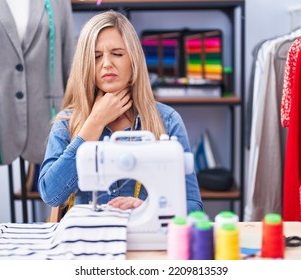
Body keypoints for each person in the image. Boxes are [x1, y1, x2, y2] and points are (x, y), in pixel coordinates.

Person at [38, 10, 203, 213]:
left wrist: (149, 209)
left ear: (133, 60)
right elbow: (51, 194)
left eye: (117, 54)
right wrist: (94, 124)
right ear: (86, 65)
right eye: (96, 57)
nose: (107, 64)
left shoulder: (167, 121)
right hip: (87, 241)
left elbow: (194, 207)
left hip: (143, 241)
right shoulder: (66, 123)